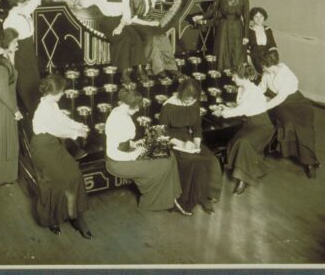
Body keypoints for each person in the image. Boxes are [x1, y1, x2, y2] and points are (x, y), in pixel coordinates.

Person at [104, 88, 187, 214]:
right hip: (118, 162)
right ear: (129, 106)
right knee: (163, 163)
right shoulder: (115, 119)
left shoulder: (122, 113)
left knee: (169, 155)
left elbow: (122, 139)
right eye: (137, 107)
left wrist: (134, 143)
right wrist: (134, 154)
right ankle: (153, 203)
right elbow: (112, 152)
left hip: (128, 152)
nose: (138, 110)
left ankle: (173, 197)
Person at [30, 74, 93, 238]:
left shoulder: (51, 104)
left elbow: (61, 119)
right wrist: (76, 133)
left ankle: (76, 216)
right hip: (42, 148)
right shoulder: (43, 109)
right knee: (57, 181)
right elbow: (56, 129)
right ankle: (52, 219)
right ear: (53, 92)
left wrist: (77, 125)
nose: (63, 94)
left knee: (74, 174)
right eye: (61, 92)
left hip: (53, 145)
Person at [159, 78, 223, 214]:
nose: (189, 103)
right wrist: (181, 143)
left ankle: (205, 195)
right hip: (172, 141)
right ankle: (183, 201)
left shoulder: (194, 104)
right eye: (186, 100)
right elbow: (161, 133)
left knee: (211, 159)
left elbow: (197, 128)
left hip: (188, 140)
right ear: (180, 94)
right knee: (192, 161)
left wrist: (196, 145)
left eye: (192, 100)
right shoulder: (168, 106)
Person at [73, 0, 148, 84]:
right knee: (124, 39)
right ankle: (124, 73)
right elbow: (83, 4)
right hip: (107, 22)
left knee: (136, 38)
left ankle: (140, 69)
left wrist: (120, 27)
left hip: (121, 21)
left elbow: (127, 14)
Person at [259, 49, 320, 179]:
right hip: (281, 104)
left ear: (271, 65)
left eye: (264, 66)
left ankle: (310, 163)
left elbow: (279, 98)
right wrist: (253, 97)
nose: (262, 68)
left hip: (296, 103)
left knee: (303, 128)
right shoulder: (267, 73)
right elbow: (261, 88)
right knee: (287, 123)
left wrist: (264, 106)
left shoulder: (287, 76)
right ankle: (288, 150)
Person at [214, 63, 273, 195]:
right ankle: (252, 169)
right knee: (236, 140)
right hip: (250, 124)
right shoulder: (241, 88)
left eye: (234, 76)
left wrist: (223, 113)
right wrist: (227, 108)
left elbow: (243, 109)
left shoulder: (254, 91)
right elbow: (241, 107)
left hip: (262, 126)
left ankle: (243, 180)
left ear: (241, 76)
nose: (232, 79)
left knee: (244, 143)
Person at [3, 0, 50, 114]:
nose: (29, 0)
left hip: (29, 48)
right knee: (25, 83)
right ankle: (32, 113)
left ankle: (36, 110)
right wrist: (11, 67)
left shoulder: (24, 10)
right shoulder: (11, 20)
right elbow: (9, 47)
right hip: (20, 52)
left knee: (34, 81)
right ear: (20, 1)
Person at [0, 27, 23, 185]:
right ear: (6, 44)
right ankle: (2, 177)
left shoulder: (2, 57)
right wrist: (15, 110)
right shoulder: (1, 66)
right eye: (14, 42)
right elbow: (3, 93)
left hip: (6, 105)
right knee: (3, 142)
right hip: (3, 108)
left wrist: (10, 53)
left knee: (5, 141)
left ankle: (2, 176)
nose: (17, 44)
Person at [128, 0, 182, 79]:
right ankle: (159, 69)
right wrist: (150, 23)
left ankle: (171, 67)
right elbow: (131, 18)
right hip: (136, 23)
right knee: (152, 38)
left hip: (146, 21)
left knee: (162, 37)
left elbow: (149, 3)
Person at [195, 0, 250, 72]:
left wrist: (245, 36)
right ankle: (220, 76)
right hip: (223, 26)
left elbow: (246, 17)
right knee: (221, 51)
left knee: (236, 51)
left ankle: (236, 76)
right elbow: (213, 10)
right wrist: (202, 16)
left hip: (237, 28)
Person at [247, 7, 277, 75]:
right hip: (254, 59)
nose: (259, 19)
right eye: (256, 16)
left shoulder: (268, 30)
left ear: (264, 17)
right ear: (252, 18)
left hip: (267, 59)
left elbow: (272, 46)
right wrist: (251, 66)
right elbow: (246, 51)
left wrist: (272, 63)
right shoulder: (249, 30)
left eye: (261, 16)